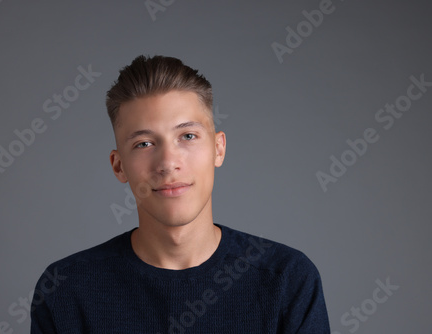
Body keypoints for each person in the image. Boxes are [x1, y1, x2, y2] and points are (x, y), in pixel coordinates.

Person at [30, 55, 331, 333]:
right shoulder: (67, 290)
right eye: (144, 143)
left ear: (218, 147)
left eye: (187, 136)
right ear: (119, 166)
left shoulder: (287, 280)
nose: (168, 163)